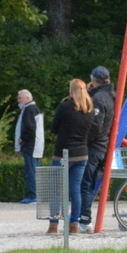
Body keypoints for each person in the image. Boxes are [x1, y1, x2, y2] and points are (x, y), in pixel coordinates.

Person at [48, 78, 94, 234]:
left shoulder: (65, 107)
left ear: (71, 90)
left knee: (56, 189)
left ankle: (53, 224)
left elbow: (54, 129)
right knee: (76, 190)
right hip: (82, 154)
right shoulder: (89, 109)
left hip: (62, 154)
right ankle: (74, 223)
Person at [80, 66, 116, 225]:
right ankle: (85, 218)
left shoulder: (99, 99)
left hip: (94, 147)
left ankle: (84, 219)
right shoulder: (112, 96)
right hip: (105, 146)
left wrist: (84, 141)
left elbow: (96, 125)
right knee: (92, 184)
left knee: (85, 185)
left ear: (93, 80)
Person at [14, 89, 44, 203]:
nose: (19, 100)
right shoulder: (35, 109)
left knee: (31, 171)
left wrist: (22, 138)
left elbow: (30, 128)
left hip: (31, 145)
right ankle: (36, 195)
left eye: (20, 98)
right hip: (36, 145)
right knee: (35, 170)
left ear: (27, 98)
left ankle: (33, 195)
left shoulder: (29, 109)